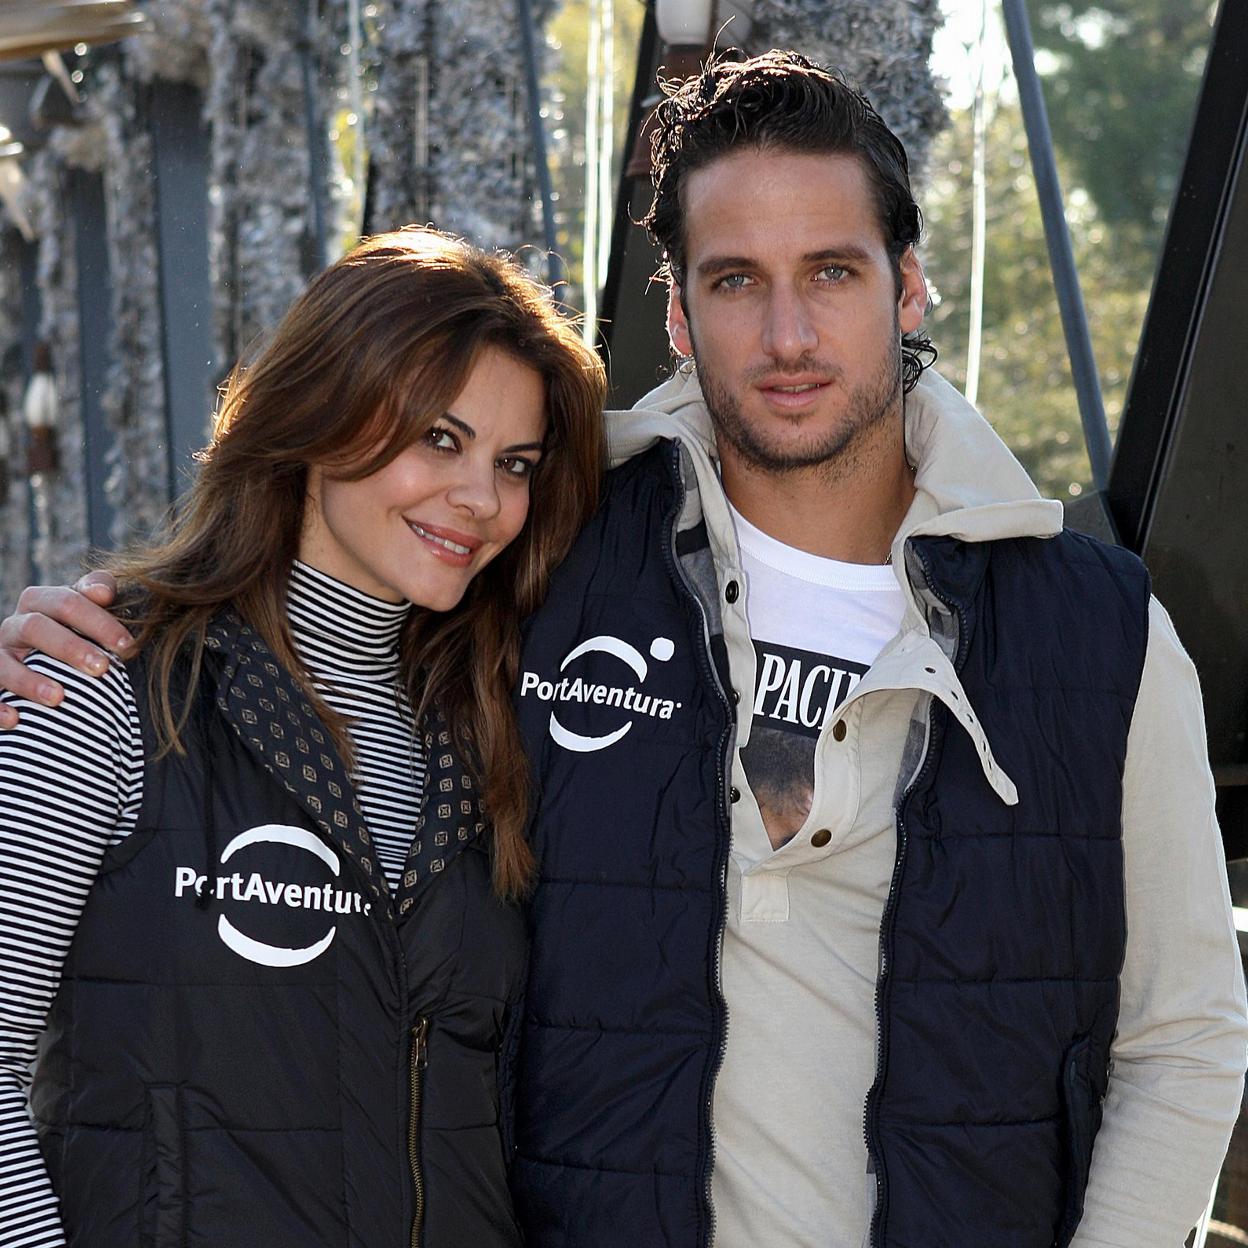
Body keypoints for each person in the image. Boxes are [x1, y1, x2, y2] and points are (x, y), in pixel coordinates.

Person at [3, 50, 1245, 1248]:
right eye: (736, 280)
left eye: (831, 272)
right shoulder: (562, 556)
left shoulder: (1096, 631)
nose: (789, 336)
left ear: (908, 285)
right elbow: (319, 586)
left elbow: (1185, 1034)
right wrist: (91, 629)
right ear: (679, 311)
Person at [0, 227, 605, 1248]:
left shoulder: (496, 727)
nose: (483, 500)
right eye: (440, 440)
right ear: (321, 418)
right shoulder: (106, 684)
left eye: (515, 464)